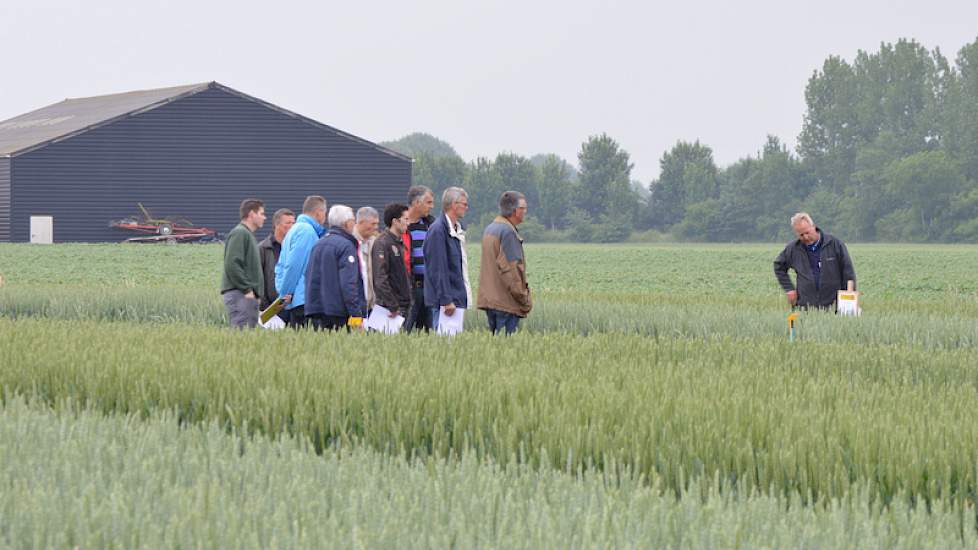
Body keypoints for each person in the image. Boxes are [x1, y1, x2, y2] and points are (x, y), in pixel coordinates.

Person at [774, 212, 856, 310]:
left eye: (807, 232)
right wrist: (789, 289)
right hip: (805, 307)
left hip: (834, 307)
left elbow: (848, 272)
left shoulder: (834, 244)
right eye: (801, 235)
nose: (805, 237)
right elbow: (778, 266)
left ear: (813, 227)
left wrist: (849, 299)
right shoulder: (793, 249)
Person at [477, 191, 532, 334]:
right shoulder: (508, 233)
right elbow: (512, 271)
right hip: (505, 303)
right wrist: (524, 299)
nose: (525, 211)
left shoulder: (490, 228)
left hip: (491, 300)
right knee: (507, 350)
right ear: (515, 211)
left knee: (496, 349)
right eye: (523, 208)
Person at [305, 205, 366, 331]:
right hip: (339, 313)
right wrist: (356, 316)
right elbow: (349, 284)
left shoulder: (318, 244)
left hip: (317, 310)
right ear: (347, 223)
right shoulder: (346, 246)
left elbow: (310, 277)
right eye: (353, 220)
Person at [423, 186, 472, 330]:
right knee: (444, 345)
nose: (466, 207)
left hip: (455, 298)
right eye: (464, 204)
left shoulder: (456, 229)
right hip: (445, 303)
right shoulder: (438, 230)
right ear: (453, 205)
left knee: (453, 347)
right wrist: (446, 300)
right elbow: (437, 268)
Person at [275, 196, 326, 328]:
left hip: (295, 300)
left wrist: (282, 291)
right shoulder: (307, 231)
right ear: (318, 212)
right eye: (324, 213)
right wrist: (286, 293)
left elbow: (280, 266)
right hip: (303, 300)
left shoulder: (294, 230)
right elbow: (293, 265)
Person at [220, 199, 266, 329]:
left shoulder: (247, 234)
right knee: (241, 337)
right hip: (240, 294)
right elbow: (232, 264)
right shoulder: (240, 233)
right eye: (262, 213)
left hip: (245, 295)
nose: (265, 217)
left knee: (246, 337)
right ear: (252, 214)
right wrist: (247, 290)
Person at [371, 203, 413, 321]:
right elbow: (380, 278)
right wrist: (393, 306)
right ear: (395, 221)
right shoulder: (382, 243)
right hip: (389, 309)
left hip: (403, 305)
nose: (408, 223)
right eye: (405, 219)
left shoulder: (399, 243)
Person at [403, 185, 436, 332]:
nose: (432, 206)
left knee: (430, 332)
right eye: (428, 202)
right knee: (405, 331)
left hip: (429, 288)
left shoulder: (431, 225)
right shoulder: (400, 226)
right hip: (409, 288)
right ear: (417, 203)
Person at [258, 208, 296, 320]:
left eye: (294, 223)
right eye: (288, 223)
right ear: (276, 225)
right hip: (270, 309)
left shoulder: (296, 248)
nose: (292, 226)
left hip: (293, 308)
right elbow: (257, 281)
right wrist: (267, 308)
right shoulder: (263, 249)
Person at [353, 206, 380, 312]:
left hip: (372, 306)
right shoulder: (349, 243)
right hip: (355, 306)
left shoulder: (375, 242)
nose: (376, 227)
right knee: (354, 328)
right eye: (373, 224)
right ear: (361, 222)